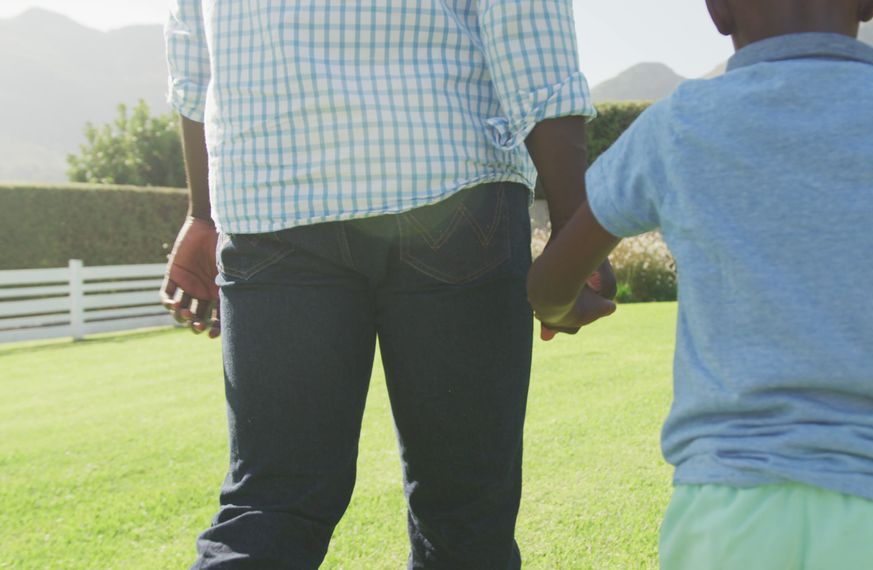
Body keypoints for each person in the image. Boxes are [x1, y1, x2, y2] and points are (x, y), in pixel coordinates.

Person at [527, 1, 873, 568]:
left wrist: (562, 307)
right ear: (870, 2)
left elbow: (550, 282)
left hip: (725, 526)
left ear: (717, 11)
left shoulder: (678, 128)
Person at [160, 1, 614, 568]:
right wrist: (574, 223)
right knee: (465, 517)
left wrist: (204, 213)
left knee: (270, 504)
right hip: (451, 187)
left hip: (271, 199)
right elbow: (528, 27)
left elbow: (190, 50)